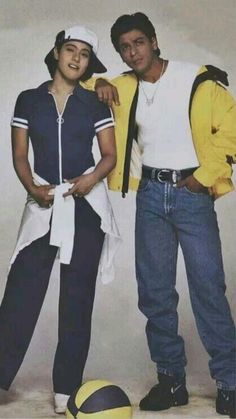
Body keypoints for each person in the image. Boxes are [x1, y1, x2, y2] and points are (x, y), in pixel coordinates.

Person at [91, 12, 236, 418]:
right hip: (151, 195)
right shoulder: (121, 86)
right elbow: (82, 81)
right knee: (155, 292)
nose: (132, 51)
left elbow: (231, 130)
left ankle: (230, 383)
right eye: (124, 47)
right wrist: (100, 81)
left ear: (154, 41)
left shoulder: (199, 79)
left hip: (192, 194)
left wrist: (204, 177)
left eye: (138, 42)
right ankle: (171, 381)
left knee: (208, 288)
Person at [0, 25, 118, 414]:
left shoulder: (96, 103)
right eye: (71, 50)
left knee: (77, 298)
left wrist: (88, 181)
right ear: (56, 52)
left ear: (89, 63)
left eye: (85, 54)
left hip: (84, 206)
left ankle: (66, 388)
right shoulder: (28, 100)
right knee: (20, 293)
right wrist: (33, 188)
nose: (76, 58)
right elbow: (20, 155)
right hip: (44, 200)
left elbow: (109, 156)